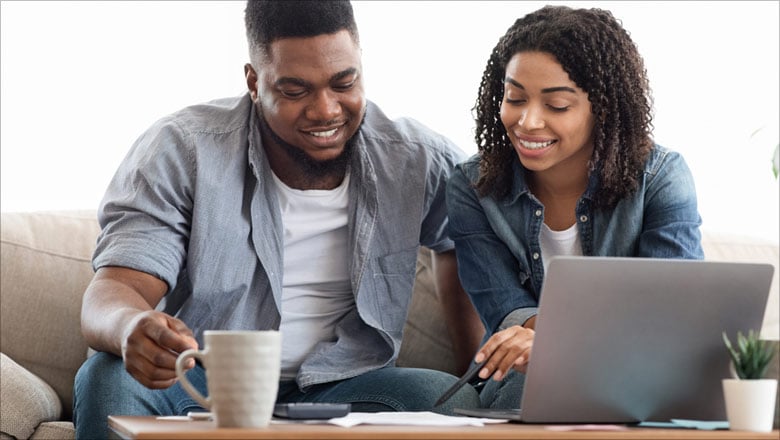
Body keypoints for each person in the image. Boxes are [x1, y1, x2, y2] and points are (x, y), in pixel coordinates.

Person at [73, 1, 481, 437]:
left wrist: (471, 365)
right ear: (253, 81)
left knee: (449, 397)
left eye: (344, 82)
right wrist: (130, 327)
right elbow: (116, 289)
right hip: (206, 378)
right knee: (106, 376)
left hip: (350, 384)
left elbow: (470, 240)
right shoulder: (183, 151)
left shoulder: (416, 159)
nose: (326, 110)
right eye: (295, 91)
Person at [445, 5, 704, 410]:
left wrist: (558, 340)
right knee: (532, 389)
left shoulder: (660, 177)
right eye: (514, 98)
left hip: (639, 371)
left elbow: (673, 312)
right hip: (521, 380)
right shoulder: (472, 187)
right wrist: (545, 345)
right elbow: (504, 308)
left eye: (557, 106)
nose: (528, 122)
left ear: (603, 108)